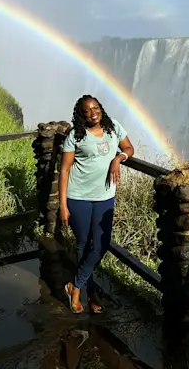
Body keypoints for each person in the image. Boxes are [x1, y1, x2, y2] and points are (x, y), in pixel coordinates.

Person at [59, 94, 134, 314]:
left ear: (101, 108)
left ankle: (75, 286)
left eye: (96, 108)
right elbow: (64, 170)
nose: (93, 113)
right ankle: (89, 293)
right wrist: (63, 205)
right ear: (81, 115)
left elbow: (129, 148)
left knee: (101, 243)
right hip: (78, 197)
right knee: (84, 245)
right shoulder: (75, 136)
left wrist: (118, 158)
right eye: (87, 111)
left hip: (105, 196)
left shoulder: (114, 128)